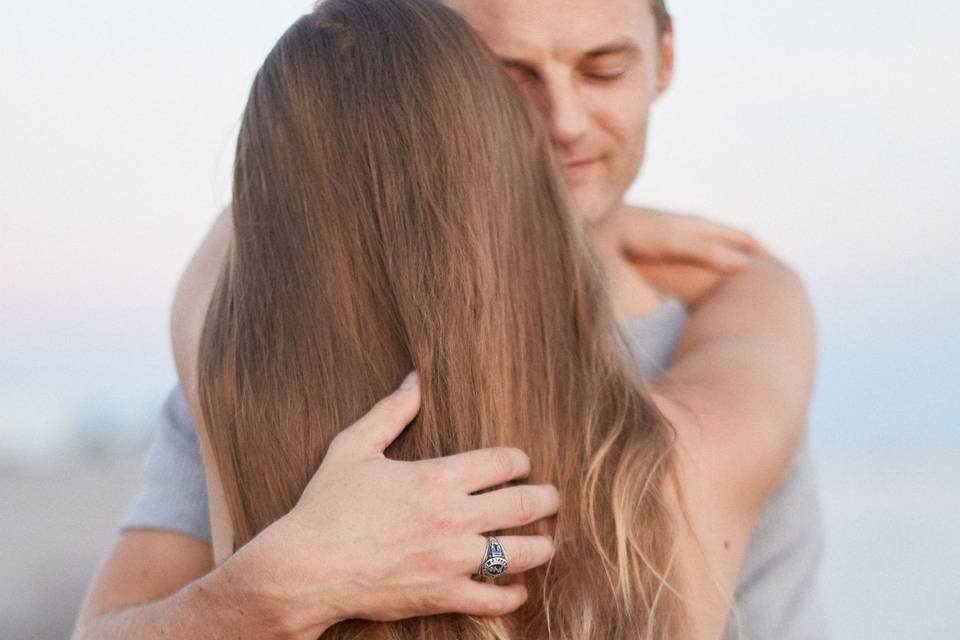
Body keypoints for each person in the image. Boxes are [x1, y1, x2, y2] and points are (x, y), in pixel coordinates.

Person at [72, 0, 824, 639]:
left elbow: (262, 224)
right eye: (514, 77)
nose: (565, 123)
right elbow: (771, 290)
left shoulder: (244, 369)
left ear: (663, 61)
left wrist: (272, 590)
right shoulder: (688, 454)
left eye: (602, 69)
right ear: (445, 101)